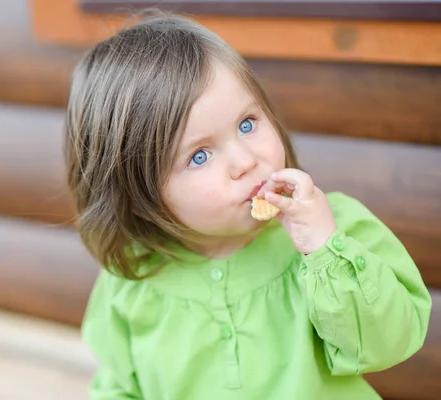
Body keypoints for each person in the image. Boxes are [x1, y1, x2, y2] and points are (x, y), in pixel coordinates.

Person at [64, 11, 432, 400]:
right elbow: (120, 386)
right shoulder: (133, 280)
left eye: (247, 123)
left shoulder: (334, 229)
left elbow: (390, 343)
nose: (245, 161)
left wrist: (324, 250)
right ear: (137, 194)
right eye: (199, 156)